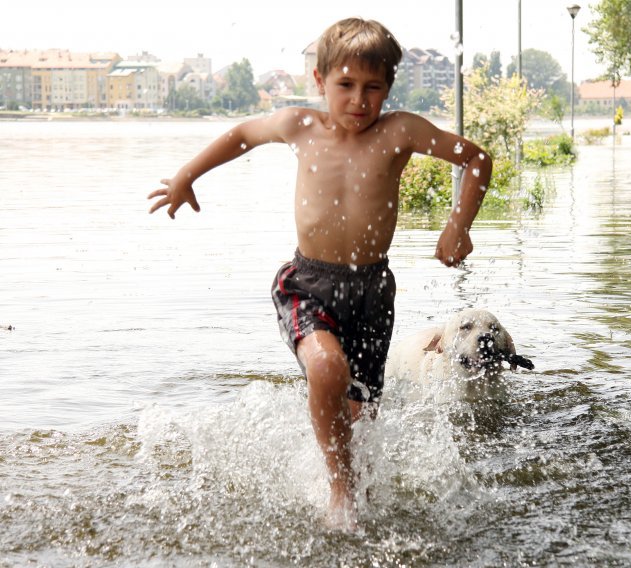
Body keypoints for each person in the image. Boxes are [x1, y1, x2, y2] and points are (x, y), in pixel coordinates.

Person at [148, 17, 492, 530]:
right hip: (307, 283)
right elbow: (242, 134)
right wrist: (183, 178)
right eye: (345, 86)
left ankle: (358, 486)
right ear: (319, 81)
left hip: (373, 290)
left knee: (363, 416)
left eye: (373, 88)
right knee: (328, 371)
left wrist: (458, 226)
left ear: (389, 88)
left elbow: (477, 158)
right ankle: (340, 496)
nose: (359, 100)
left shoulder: (400, 131)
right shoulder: (300, 126)